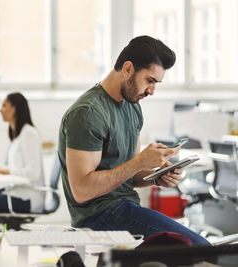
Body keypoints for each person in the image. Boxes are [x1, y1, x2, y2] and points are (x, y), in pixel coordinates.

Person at [58, 35, 210, 245]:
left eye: (156, 83)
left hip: (125, 208)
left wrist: (156, 176)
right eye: (150, 81)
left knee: (190, 249)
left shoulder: (132, 107)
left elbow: (129, 174)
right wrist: (139, 162)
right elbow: (82, 191)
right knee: (200, 248)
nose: (152, 91)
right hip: (97, 217)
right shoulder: (88, 113)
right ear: (128, 69)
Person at [0, 92, 45, 232]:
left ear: (14, 109)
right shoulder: (17, 134)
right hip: (16, 192)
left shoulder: (29, 133)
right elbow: (17, 167)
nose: (1, 110)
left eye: (4, 106)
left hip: (28, 198)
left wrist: (4, 171)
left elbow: (33, 172)